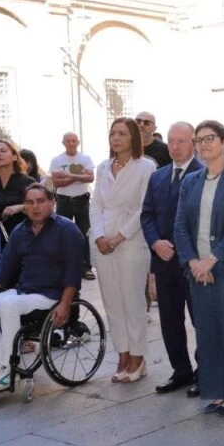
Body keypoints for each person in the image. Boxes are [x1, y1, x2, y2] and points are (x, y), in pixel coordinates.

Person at [174, 120, 224, 415]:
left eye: (210, 138)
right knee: (207, 334)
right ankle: (215, 391)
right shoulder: (190, 181)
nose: (204, 144)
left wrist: (212, 259)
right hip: (198, 272)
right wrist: (193, 262)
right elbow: (180, 226)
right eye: (199, 140)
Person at [0, 184, 83, 392]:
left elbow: (74, 271)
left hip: (52, 294)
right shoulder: (21, 230)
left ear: (52, 203)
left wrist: (66, 304)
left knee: (9, 305)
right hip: (24, 291)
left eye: (40, 201)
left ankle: (9, 369)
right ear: (24, 206)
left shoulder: (67, 229)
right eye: (30, 202)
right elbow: (5, 265)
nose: (35, 206)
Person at [90, 117, 156, 383]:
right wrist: (98, 236)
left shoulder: (146, 166)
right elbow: (95, 204)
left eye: (122, 133)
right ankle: (123, 354)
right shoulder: (103, 167)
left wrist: (118, 237)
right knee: (112, 303)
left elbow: (144, 208)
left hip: (131, 240)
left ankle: (138, 357)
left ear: (133, 138)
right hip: (102, 241)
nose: (116, 138)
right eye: (112, 133)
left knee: (132, 301)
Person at [141, 122, 204, 396]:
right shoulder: (158, 176)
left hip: (193, 262)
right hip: (164, 261)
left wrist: (180, 248)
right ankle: (181, 370)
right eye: (171, 141)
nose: (175, 147)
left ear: (194, 143)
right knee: (169, 319)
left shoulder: (204, 174)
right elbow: (147, 214)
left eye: (181, 141)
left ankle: (205, 372)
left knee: (201, 320)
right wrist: (155, 243)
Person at [50, 132, 96, 280]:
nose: (71, 143)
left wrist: (68, 176)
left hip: (82, 200)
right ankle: (65, 266)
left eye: (73, 140)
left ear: (78, 142)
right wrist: (78, 176)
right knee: (63, 233)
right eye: (68, 141)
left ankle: (86, 267)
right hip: (64, 201)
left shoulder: (85, 158)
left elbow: (90, 178)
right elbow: (56, 182)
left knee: (85, 233)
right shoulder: (57, 160)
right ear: (63, 143)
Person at [0, 139, 37, 247]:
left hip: (25, 241)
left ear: (14, 157)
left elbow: (43, 207)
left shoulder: (28, 182)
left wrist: (21, 207)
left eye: (3, 151)